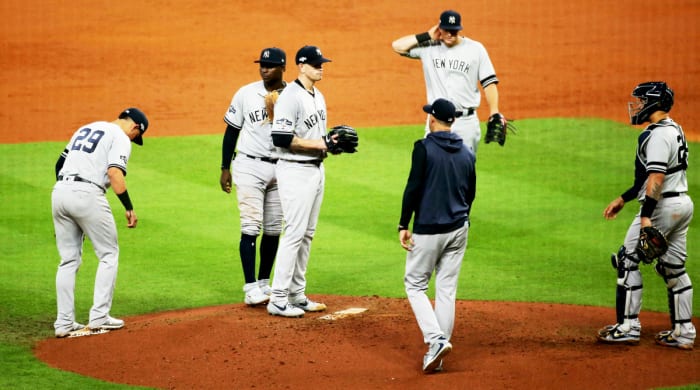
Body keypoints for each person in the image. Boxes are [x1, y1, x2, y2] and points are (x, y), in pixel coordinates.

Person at [596, 81, 695, 350]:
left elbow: (655, 178)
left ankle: (627, 327)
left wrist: (646, 217)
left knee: (627, 259)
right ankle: (684, 331)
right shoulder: (674, 129)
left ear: (653, 102)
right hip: (682, 204)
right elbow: (647, 177)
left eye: (640, 101)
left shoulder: (657, 135)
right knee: (673, 267)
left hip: (661, 206)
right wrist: (624, 198)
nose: (636, 106)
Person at [52, 107, 148, 338]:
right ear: (135, 127)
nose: (134, 140)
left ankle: (63, 323)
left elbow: (58, 165)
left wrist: (68, 204)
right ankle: (99, 317)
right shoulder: (120, 137)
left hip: (59, 192)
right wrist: (128, 207)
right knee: (108, 254)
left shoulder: (86, 128)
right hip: (87, 194)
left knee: (68, 260)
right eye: (137, 136)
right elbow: (115, 173)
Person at [398, 98, 476, 372]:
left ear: (432, 119)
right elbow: (471, 194)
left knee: (415, 285)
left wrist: (403, 224)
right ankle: (437, 355)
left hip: (429, 229)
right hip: (458, 228)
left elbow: (413, 187)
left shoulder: (423, 148)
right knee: (446, 289)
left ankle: (436, 339)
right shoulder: (467, 152)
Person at [266, 45, 338, 318]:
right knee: (295, 232)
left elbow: (315, 136)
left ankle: (296, 293)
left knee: (307, 234)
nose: (321, 67)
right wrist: (321, 143)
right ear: (301, 66)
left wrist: (330, 145)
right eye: (316, 63)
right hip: (295, 171)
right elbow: (281, 138)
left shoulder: (318, 95)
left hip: (316, 170)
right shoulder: (290, 97)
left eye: (322, 62)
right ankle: (278, 298)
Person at [220, 47, 287, 306]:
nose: (264, 68)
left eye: (270, 65)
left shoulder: (293, 95)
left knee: (273, 229)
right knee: (251, 226)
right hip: (249, 166)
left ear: (282, 67)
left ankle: (263, 283)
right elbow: (231, 130)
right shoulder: (246, 93)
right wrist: (225, 167)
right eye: (262, 64)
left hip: (281, 167)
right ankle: (250, 288)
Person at [391, 9, 505, 154]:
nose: (450, 34)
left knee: (463, 172)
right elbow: (397, 46)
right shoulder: (429, 46)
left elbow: (489, 83)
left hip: (465, 123)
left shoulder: (476, 49)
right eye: (446, 30)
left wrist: (494, 111)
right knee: (433, 171)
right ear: (439, 28)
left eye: (454, 31)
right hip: (436, 121)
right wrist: (426, 35)